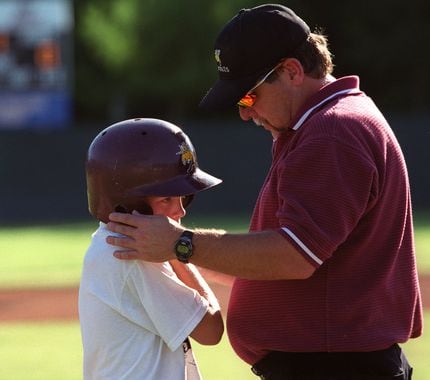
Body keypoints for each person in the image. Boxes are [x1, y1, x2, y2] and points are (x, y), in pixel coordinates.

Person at [105, 5, 422, 380]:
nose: (243, 113)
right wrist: (169, 249)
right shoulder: (327, 121)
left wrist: (182, 243)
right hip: (334, 362)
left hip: (334, 366)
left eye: (249, 96)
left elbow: (294, 256)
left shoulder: (332, 130)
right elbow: (285, 259)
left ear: (291, 71)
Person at [78, 118, 224, 380]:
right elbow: (211, 330)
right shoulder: (132, 255)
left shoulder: (107, 243)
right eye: (166, 198)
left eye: (183, 197)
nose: (179, 211)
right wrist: (178, 249)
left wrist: (169, 246)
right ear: (126, 202)